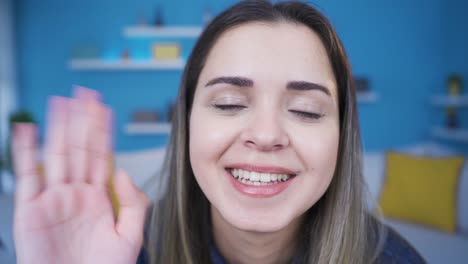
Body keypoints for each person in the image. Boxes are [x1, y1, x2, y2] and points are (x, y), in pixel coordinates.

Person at [11, 1, 426, 263]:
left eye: (305, 110)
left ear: (343, 134)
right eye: (228, 103)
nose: (265, 135)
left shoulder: (394, 259)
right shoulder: (123, 251)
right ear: (187, 123)